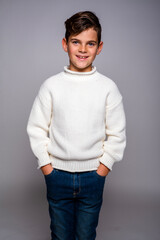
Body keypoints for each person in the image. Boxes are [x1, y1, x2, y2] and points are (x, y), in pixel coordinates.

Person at [27, 11, 126, 240]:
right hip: (57, 175)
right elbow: (37, 128)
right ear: (65, 44)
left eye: (90, 43)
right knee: (60, 234)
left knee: (85, 234)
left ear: (99, 47)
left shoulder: (107, 88)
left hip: (93, 176)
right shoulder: (51, 86)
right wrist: (46, 166)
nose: (82, 50)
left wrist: (103, 168)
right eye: (76, 42)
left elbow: (117, 133)